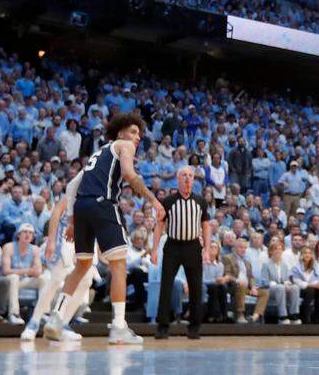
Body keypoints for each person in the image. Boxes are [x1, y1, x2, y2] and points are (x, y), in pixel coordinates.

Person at [44, 114, 165, 344]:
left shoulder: (98, 154)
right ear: (120, 133)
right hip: (103, 205)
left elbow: (71, 186)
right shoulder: (124, 146)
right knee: (119, 264)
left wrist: (71, 220)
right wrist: (153, 200)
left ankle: (56, 319)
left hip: (81, 208)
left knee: (82, 265)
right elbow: (129, 175)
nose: (136, 138)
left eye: (139, 134)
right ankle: (119, 326)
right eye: (133, 132)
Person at [21, 170, 94, 341]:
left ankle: (62, 323)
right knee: (56, 279)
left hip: (87, 240)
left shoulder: (101, 194)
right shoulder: (75, 190)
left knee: (86, 281)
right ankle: (34, 321)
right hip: (66, 238)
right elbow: (55, 214)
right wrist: (52, 241)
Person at [153, 166, 211, 340]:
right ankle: (163, 327)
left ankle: (194, 328)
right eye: (184, 175)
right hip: (173, 246)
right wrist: (154, 249)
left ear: (194, 179)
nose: (187, 178)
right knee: (166, 286)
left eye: (190, 176)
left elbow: (206, 226)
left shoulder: (201, 201)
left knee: (196, 288)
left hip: (193, 247)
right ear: (178, 179)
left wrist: (207, 249)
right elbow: (159, 225)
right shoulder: (168, 201)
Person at [1, 223, 42, 325]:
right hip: (9, 282)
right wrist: (27, 271)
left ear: (33, 237)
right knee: (14, 277)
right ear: (18, 235)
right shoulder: (9, 247)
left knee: (45, 278)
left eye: (30, 233)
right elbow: (6, 270)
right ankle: (14, 314)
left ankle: (43, 313)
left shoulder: (35, 249)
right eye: (25, 232)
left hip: (25, 281)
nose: (27, 235)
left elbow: (38, 271)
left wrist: (30, 271)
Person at [256, 239, 300, 324]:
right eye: (276, 249)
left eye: (280, 249)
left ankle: (293, 314)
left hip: (281, 288)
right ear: (271, 251)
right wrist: (278, 285)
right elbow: (265, 281)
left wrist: (287, 284)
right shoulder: (266, 264)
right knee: (280, 287)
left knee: (295, 287)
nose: (278, 251)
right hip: (270, 290)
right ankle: (282, 316)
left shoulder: (284, 265)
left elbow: (286, 279)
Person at [292, 246, 319, 324]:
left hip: (313, 289)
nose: (307, 255)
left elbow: (318, 279)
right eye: (305, 253)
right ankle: (308, 317)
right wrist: (313, 285)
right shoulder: (296, 268)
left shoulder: (315, 266)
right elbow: (297, 282)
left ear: (312, 255)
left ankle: (318, 316)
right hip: (300, 290)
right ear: (301, 255)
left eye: (309, 253)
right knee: (311, 291)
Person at [203, 241, 229, 323]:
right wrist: (216, 281)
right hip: (203, 285)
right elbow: (202, 279)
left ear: (218, 251)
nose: (213, 249)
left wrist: (222, 280)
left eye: (215, 247)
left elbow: (219, 279)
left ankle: (224, 315)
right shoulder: (202, 263)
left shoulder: (220, 265)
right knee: (215, 287)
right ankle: (212, 315)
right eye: (211, 247)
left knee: (222, 288)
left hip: (215, 285)